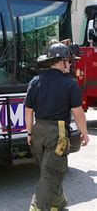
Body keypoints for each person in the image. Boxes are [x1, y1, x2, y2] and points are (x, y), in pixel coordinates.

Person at [25, 42, 90, 211]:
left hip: (38, 131)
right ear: (62, 62)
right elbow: (78, 114)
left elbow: (28, 111)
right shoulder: (70, 84)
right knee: (51, 174)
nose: (70, 64)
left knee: (49, 171)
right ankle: (37, 208)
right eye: (69, 61)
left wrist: (29, 133)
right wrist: (84, 133)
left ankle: (58, 204)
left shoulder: (35, 81)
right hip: (58, 133)